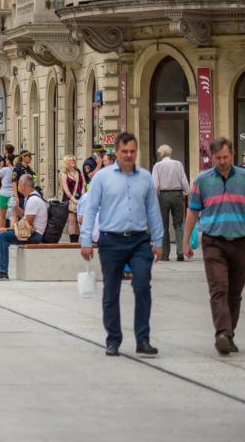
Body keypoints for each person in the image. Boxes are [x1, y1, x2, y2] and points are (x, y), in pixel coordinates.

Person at [81, 132, 163, 357]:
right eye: (124, 151)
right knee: (111, 291)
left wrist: (159, 240)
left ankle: (143, 340)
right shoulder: (102, 177)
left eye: (132, 151)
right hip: (111, 240)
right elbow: (91, 210)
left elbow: (153, 210)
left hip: (139, 240)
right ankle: (113, 340)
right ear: (116, 152)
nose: (129, 155)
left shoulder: (145, 177)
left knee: (142, 286)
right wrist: (86, 240)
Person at [183, 136, 245, 356]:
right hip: (213, 242)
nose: (222, 161)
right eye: (218, 158)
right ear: (212, 157)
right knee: (219, 289)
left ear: (232, 154)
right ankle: (223, 334)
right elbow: (193, 210)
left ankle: (228, 336)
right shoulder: (202, 180)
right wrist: (186, 241)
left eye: (226, 156)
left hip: (240, 241)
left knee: (235, 293)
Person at [0, 174, 47, 280]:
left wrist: (7, 229)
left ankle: (3, 272)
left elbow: (26, 224)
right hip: (28, 231)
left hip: (34, 235)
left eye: (19, 184)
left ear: (24, 185)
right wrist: (16, 209)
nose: (18, 187)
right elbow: (27, 217)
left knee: (2, 236)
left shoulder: (33, 200)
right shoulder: (30, 198)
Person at [151, 143, 191, 261]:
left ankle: (165, 254)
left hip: (163, 195)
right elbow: (183, 180)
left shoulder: (157, 166)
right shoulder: (178, 164)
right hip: (177, 194)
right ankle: (180, 251)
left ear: (161, 154)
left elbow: (155, 184)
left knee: (164, 225)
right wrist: (187, 192)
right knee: (178, 224)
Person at [59, 155, 84, 244]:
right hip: (69, 199)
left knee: (78, 221)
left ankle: (77, 240)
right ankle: (73, 241)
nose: (72, 161)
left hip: (80, 198)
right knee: (72, 221)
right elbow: (66, 190)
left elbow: (83, 184)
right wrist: (73, 200)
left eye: (73, 160)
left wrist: (83, 196)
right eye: (70, 160)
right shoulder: (64, 173)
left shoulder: (79, 171)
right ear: (66, 163)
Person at [0, 156, 15, 231]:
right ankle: (11, 231)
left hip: (3, 194)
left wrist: (0, 167)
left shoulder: (4, 169)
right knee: (11, 216)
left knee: (2, 216)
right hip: (13, 195)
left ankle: (1, 232)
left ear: (8, 161)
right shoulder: (16, 170)